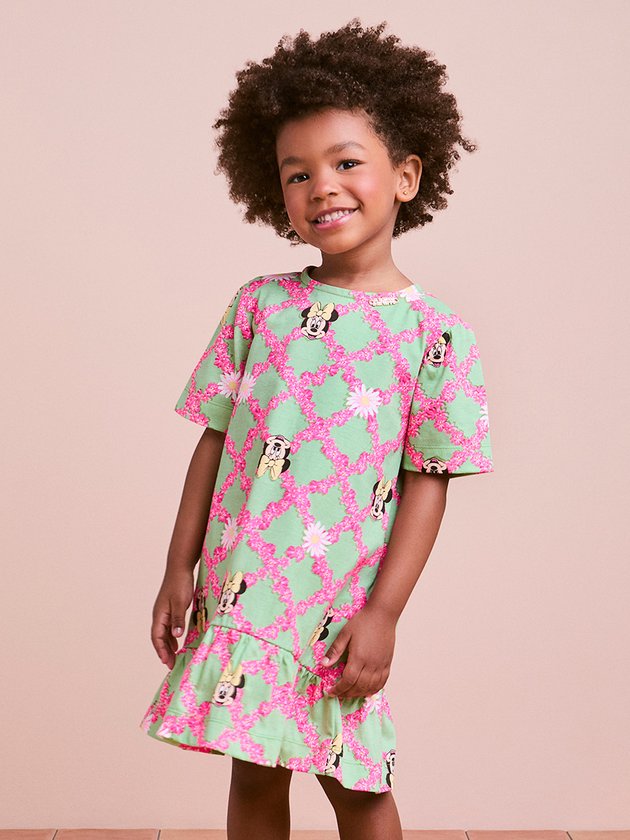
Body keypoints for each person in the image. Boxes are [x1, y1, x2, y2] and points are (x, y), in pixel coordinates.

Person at [139, 18, 493, 840]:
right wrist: (177, 568)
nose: (322, 187)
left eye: (346, 163)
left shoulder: (435, 336)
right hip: (242, 589)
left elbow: (428, 484)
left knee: (356, 785)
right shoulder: (260, 306)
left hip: (337, 606)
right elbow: (215, 443)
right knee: (254, 770)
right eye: (297, 174)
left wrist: (385, 613)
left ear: (406, 175)